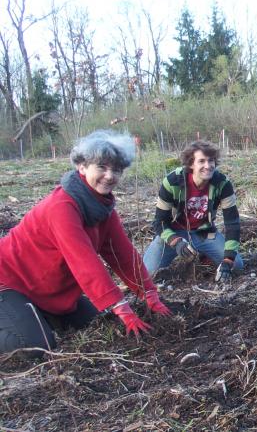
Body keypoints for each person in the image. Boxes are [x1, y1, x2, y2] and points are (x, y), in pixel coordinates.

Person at [0, 131, 171, 356]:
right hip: (9, 281)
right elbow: (84, 262)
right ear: (82, 166)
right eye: (101, 167)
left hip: (46, 289)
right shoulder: (61, 207)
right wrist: (120, 306)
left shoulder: (102, 207)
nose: (110, 176)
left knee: (99, 324)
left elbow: (122, 254)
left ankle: (35, 317)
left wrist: (148, 292)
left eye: (117, 169)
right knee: (37, 347)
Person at [143, 140, 243, 282]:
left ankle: (204, 253)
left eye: (211, 161)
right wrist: (176, 242)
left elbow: (232, 224)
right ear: (191, 164)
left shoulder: (223, 183)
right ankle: (183, 249)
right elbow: (159, 222)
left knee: (237, 265)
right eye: (201, 161)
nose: (208, 166)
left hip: (204, 233)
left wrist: (228, 260)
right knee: (147, 274)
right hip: (175, 232)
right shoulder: (172, 182)